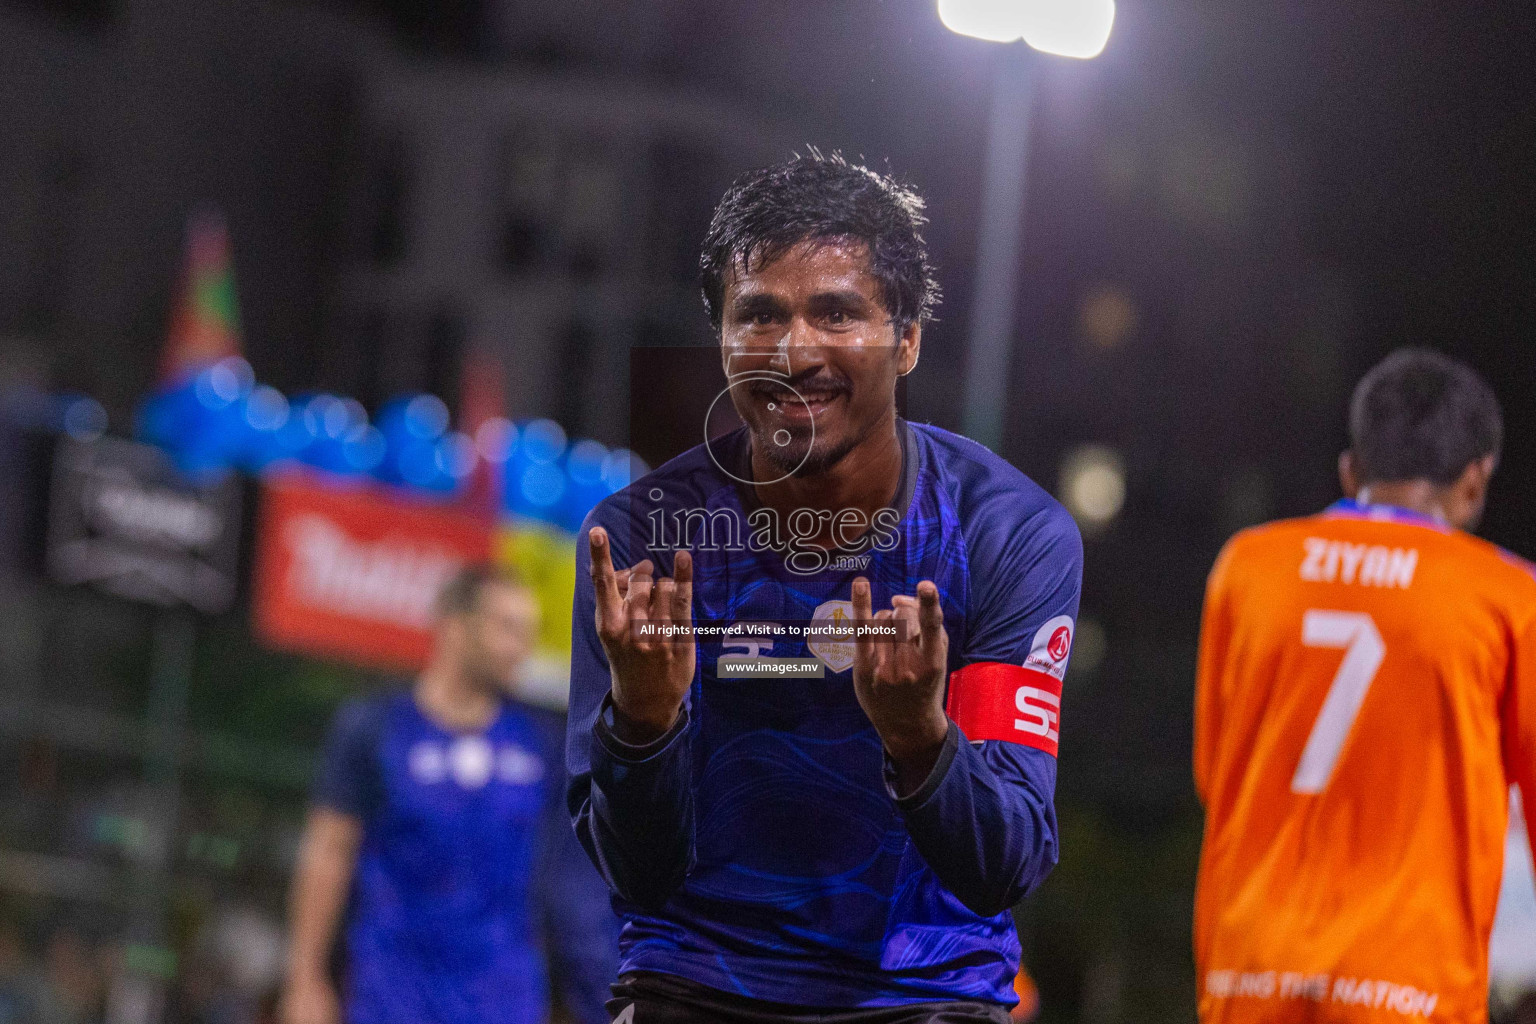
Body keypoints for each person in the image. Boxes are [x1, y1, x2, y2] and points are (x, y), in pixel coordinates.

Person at [568, 152, 1083, 1022]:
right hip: (694, 987)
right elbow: (635, 875)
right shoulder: (642, 542)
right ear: (722, 340)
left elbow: (1007, 863)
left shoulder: (1006, 534)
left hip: (923, 996)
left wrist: (922, 739)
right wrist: (643, 727)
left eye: (837, 313)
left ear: (909, 338)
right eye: (759, 317)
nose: (794, 352)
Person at [1192, 348, 1536, 1022]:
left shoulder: (1247, 566)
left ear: (1351, 468)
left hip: (1249, 972)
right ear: (1474, 482)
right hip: (1412, 985)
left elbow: (1216, 775)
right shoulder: (1508, 597)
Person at [281, 565, 616, 1024]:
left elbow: (570, 884)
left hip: (505, 1001)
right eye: (507, 629)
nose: (520, 649)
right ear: (456, 629)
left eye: (528, 633)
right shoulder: (374, 729)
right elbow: (328, 852)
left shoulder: (543, 743)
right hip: (392, 997)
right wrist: (305, 978)